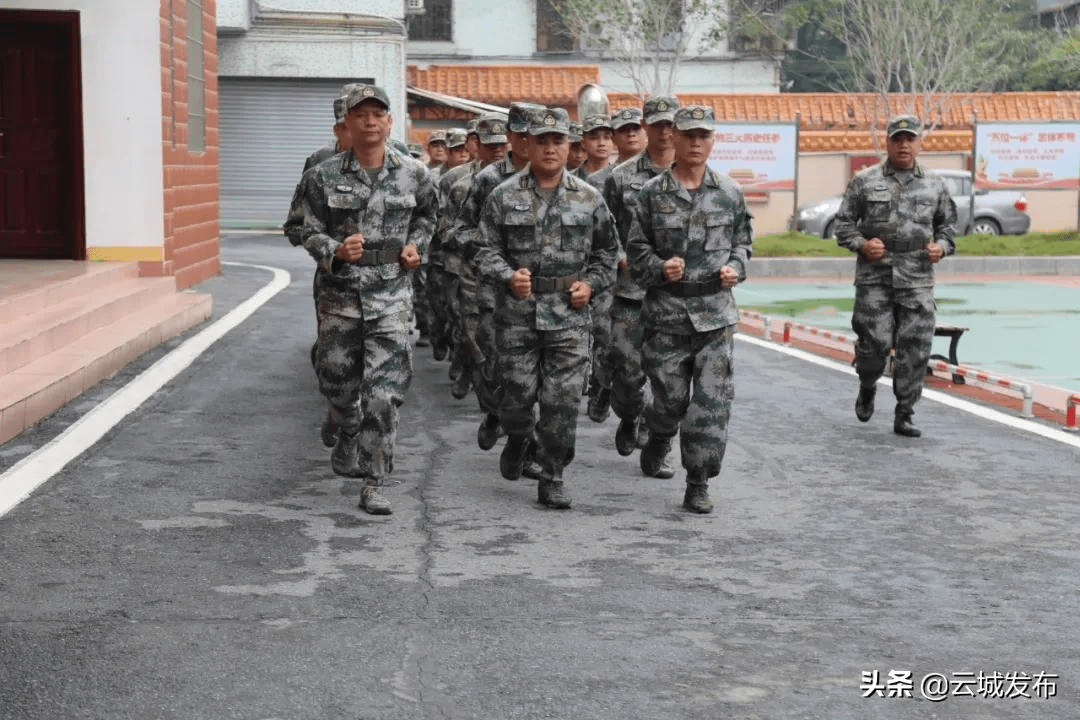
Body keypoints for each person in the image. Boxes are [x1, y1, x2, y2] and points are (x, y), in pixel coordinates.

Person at [296, 83, 437, 515]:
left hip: (392, 294)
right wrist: (332, 249)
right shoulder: (322, 175)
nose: (371, 121)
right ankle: (346, 424)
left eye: (379, 113)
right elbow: (298, 226)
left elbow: (430, 215)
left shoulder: (414, 173)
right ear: (347, 123)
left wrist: (417, 245)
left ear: (390, 121)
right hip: (340, 295)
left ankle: (375, 480)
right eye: (361, 114)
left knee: (384, 393)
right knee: (336, 379)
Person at [474, 106, 618, 509]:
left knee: (563, 402)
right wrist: (506, 276)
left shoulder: (589, 199)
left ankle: (553, 474)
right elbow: (483, 251)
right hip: (517, 316)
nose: (551, 148)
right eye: (543, 141)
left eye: (558, 140)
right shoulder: (503, 195)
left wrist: (590, 284)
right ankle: (519, 435)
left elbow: (608, 254)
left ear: (570, 145)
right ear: (527, 144)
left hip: (569, 318)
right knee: (517, 399)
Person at [626, 105, 752, 514]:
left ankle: (698, 481)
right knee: (671, 401)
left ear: (712, 141)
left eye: (704, 135)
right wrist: (659, 267)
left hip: (716, 314)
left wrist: (737, 266)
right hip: (667, 315)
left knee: (711, 403)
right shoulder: (651, 195)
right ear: (674, 139)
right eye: (689, 135)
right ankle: (659, 433)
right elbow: (635, 250)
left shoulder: (730, 192)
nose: (697, 142)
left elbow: (743, 243)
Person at [833, 114, 957, 438]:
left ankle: (905, 411)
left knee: (915, 347)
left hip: (917, 277)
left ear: (919, 143)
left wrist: (941, 247)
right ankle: (867, 383)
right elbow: (842, 225)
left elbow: (948, 228)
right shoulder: (864, 180)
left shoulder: (935, 183)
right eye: (897, 139)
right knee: (873, 345)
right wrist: (861, 244)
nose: (904, 145)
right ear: (887, 142)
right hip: (876, 275)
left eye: (910, 139)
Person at [598, 96, 678, 473]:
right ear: (645, 126)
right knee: (629, 376)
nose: (664, 132)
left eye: (670, 124)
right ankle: (629, 415)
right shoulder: (621, 177)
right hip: (630, 293)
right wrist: (617, 256)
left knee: (670, 380)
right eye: (657, 124)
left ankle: (658, 442)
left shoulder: (694, 174)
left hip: (676, 297)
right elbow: (604, 228)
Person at [456, 102, 540, 454]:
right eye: (519, 135)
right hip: (494, 294)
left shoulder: (559, 177)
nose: (526, 141)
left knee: (538, 377)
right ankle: (494, 412)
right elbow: (460, 232)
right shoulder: (489, 180)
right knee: (495, 366)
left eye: (532, 135)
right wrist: (496, 260)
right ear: (510, 136)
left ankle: (527, 443)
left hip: (547, 297)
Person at [572, 114, 614, 180]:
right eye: (594, 138)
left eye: (607, 137)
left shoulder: (622, 177)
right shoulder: (571, 178)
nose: (601, 143)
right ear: (583, 143)